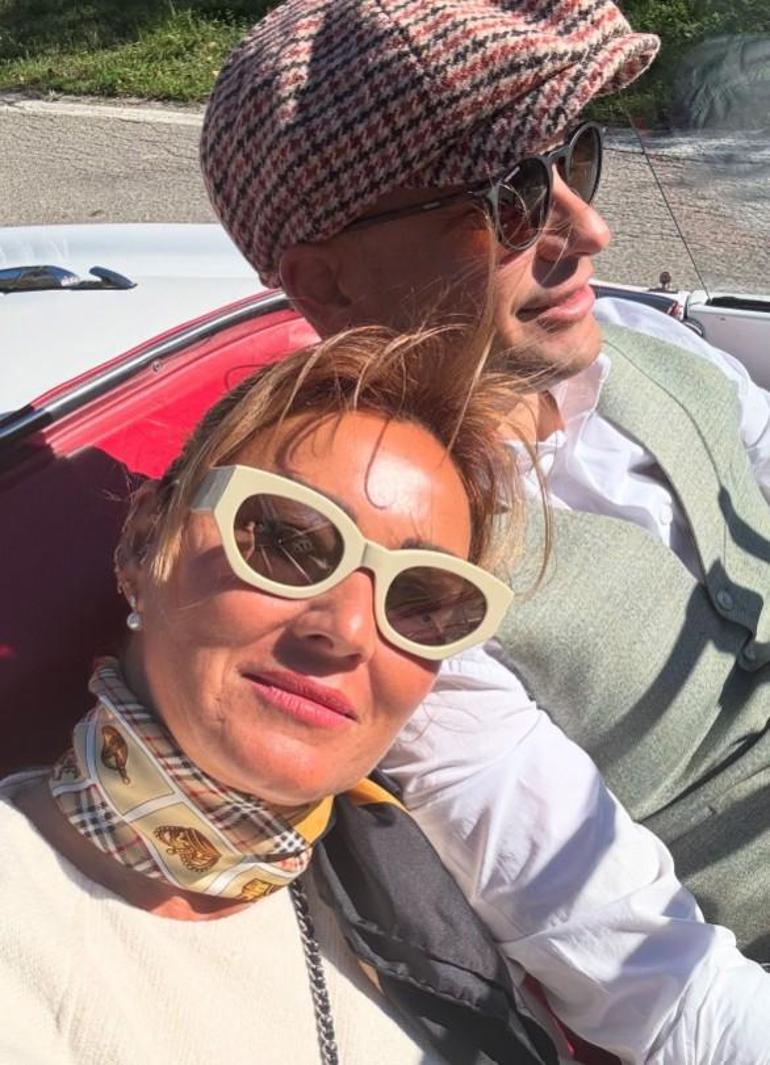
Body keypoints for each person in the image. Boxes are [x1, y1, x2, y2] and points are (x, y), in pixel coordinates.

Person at [198, 0, 770, 1059]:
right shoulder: (402, 598)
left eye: (574, 159)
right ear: (326, 280)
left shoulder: (638, 337)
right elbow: (665, 988)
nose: (588, 232)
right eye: (507, 200)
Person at [0, 326, 569, 1065]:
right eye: (286, 540)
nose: (349, 630)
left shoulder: (408, 872)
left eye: (422, 598)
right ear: (145, 542)